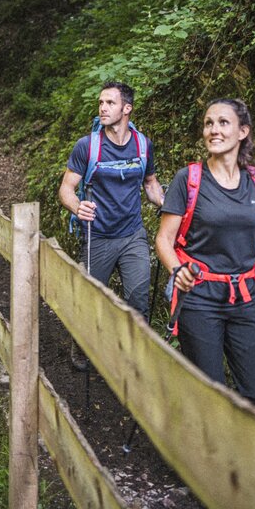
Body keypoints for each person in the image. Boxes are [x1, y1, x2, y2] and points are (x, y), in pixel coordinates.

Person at [155, 98, 255, 408]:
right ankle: (199, 452)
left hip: (244, 298)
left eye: (223, 122)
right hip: (198, 296)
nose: (214, 130)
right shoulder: (189, 179)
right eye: (209, 123)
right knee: (209, 394)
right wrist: (177, 270)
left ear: (242, 131)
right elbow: (163, 240)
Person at [59, 81, 165, 333]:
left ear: (126, 108)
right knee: (90, 302)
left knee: (138, 302)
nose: (102, 108)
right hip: (97, 236)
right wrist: (77, 207)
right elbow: (66, 189)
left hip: (133, 236)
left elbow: (150, 183)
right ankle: (84, 350)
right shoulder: (87, 146)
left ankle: (135, 362)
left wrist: (166, 203)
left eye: (110, 103)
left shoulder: (142, 145)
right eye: (101, 103)